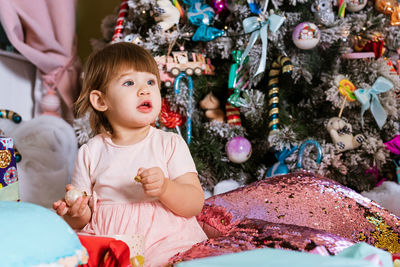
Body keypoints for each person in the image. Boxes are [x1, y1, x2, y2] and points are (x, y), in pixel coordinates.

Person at [53, 42, 208, 266]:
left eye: (151, 82)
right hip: (113, 243)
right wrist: (75, 212)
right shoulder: (91, 152)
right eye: (129, 82)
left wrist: (165, 188)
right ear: (101, 100)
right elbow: (83, 217)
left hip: (167, 242)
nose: (145, 90)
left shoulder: (169, 143)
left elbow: (195, 202)